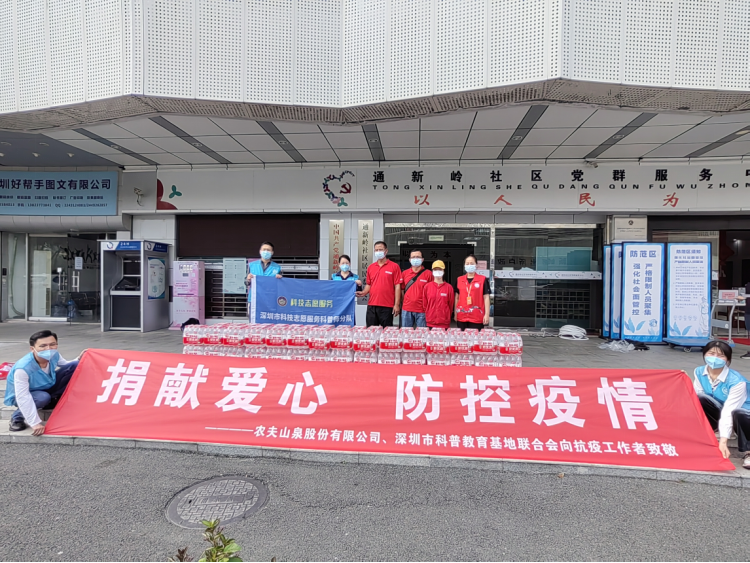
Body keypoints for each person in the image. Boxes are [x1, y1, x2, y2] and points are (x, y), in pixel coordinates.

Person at [4, 330, 82, 435]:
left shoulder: (54, 355)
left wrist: (80, 358)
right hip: (27, 394)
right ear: (32, 349)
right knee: (42, 397)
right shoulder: (23, 368)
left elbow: (66, 365)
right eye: (43, 346)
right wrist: (34, 423)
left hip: (46, 386)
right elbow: (23, 396)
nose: (48, 349)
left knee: (75, 366)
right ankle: (17, 417)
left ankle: (51, 400)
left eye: (52, 344)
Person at [693, 340, 750, 469]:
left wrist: (723, 441)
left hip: (743, 415)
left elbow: (729, 410)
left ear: (728, 360)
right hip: (722, 410)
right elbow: (696, 401)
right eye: (711, 353)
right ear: (704, 355)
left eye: (720, 355)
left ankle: (749, 452)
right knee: (700, 398)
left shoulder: (736, 381)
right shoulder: (699, 372)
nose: (715, 358)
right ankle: (713, 429)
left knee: (739, 413)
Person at [356, 241, 402, 328]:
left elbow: (397, 286)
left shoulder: (394, 266)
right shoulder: (371, 267)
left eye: (380, 249)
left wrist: (396, 305)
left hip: (387, 306)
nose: (378, 252)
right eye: (376, 250)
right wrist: (364, 292)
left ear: (386, 251)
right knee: (371, 331)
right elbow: (369, 284)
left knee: (386, 332)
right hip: (372, 305)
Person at [245, 241, 283, 317]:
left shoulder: (277, 267)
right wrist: (248, 279)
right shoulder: (252, 265)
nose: (266, 251)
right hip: (254, 299)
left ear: (272, 252)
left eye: (268, 250)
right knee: (253, 321)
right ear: (260, 251)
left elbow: (281, 286)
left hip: (270, 300)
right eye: (264, 249)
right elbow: (246, 283)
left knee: (269, 321)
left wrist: (280, 279)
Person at [454, 254, 491, 330]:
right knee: (462, 337)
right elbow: (457, 298)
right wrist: (455, 313)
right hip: (462, 316)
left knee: (476, 337)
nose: (469, 265)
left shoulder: (482, 280)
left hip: (477, 316)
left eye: (472, 263)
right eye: (467, 263)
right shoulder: (459, 280)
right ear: (464, 265)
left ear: (476, 265)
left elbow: (486, 298)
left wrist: (487, 314)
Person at [400, 249, 433, 328]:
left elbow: (432, 292)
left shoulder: (429, 274)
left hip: (422, 310)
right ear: (410, 260)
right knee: (406, 333)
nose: (415, 259)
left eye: (418, 257)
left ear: (422, 259)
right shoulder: (404, 273)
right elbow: (401, 290)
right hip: (406, 309)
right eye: (413, 257)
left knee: (422, 334)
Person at [424, 260, 454, 330]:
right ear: (432, 271)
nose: (437, 271)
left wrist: (446, 315)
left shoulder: (449, 287)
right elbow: (425, 305)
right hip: (430, 322)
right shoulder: (427, 287)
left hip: (444, 322)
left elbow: (451, 305)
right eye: (435, 269)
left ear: (443, 271)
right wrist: (429, 313)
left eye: (440, 269)